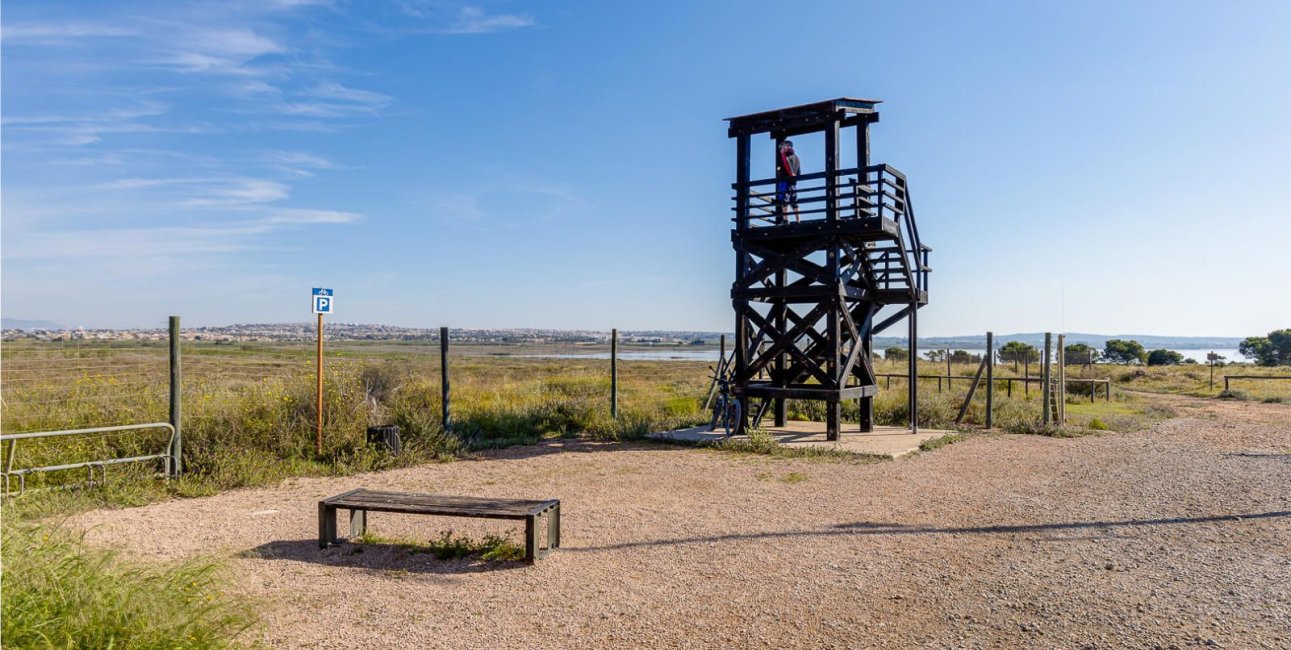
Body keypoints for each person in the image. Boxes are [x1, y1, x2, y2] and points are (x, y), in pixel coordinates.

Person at [775, 140, 801, 222]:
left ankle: (786, 220)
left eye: (783, 147)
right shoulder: (796, 157)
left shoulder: (784, 157)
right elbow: (799, 173)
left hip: (785, 182)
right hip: (793, 183)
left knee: (784, 201)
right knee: (794, 202)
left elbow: (780, 171)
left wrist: (779, 171)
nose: (782, 149)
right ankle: (798, 220)